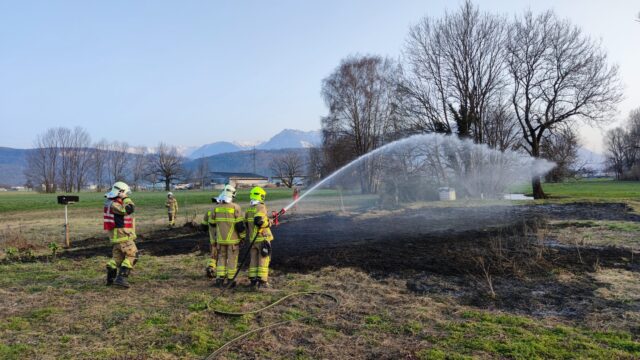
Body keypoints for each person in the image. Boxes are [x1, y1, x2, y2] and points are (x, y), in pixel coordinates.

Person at [210, 185, 245, 288]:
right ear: (232, 195)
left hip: (220, 240)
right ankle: (231, 281)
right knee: (232, 260)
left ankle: (219, 280)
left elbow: (212, 224)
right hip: (233, 241)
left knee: (221, 259)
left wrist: (214, 239)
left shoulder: (216, 208)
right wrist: (243, 237)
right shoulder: (235, 207)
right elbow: (240, 226)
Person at [103, 181, 137, 288]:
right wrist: (125, 198)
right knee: (133, 255)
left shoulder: (109, 201)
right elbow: (129, 209)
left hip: (116, 236)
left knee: (117, 258)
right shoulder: (115, 204)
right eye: (125, 192)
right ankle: (121, 279)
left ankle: (111, 278)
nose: (126, 194)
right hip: (122, 235)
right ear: (120, 191)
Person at [245, 186, 274, 289]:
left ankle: (253, 281)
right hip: (262, 239)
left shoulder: (249, 209)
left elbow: (247, 224)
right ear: (260, 196)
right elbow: (259, 221)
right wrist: (269, 223)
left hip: (253, 240)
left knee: (253, 260)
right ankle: (262, 282)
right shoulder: (261, 207)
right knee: (263, 260)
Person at [202, 195, 219, 279]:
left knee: (213, 255)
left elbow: (203, 225)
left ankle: (211, 267)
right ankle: (223, 273)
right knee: (223, 255)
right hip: (223, 238)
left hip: (212, 238)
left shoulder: (209, 211)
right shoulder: (223, 211)